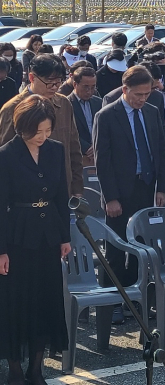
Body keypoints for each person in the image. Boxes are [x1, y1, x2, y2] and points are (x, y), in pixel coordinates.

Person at [0, 95, 71, 385]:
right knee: (16, 303)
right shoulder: (6, 155)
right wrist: (1, 250)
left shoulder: (55, 150)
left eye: (47, 131)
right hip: (17, 236)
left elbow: (61, 196)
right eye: (37, 131)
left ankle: (37, 367)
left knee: (46, 300)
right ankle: (15, 367)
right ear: (21, 127)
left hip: (49, 235)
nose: (43, 137)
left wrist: (65, 237)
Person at [93, 66, 165, 323]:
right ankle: (111, 302)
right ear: (125, 90)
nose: (143, 99)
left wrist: (162, 187)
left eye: (147, 93)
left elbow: (160, 151)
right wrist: (110, 197)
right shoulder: (107, 115)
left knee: (142, 246)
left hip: (146, 187)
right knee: (114, 250)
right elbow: (102, 161)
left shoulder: (152, 111)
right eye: (138, 94)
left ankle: (136, 301)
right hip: (119, 192)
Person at [0, 54, 83, 197]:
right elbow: (6, 154)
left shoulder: (64, 104)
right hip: (26, 195)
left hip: (61, 190)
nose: (55, 88)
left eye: (59, 83)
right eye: (50, 83)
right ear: (32, 78)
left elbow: (74, 148)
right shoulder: (13, 108)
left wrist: (77, 188)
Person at [67, 66, 101, 167]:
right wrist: (86, 148)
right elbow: (67, 131)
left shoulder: (98, 102)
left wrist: (97, 146)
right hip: (78, 156)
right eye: (85, 87)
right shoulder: (66, 104)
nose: (89, 91)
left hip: (98, 154)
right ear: (75, 84)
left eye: (93, 87)